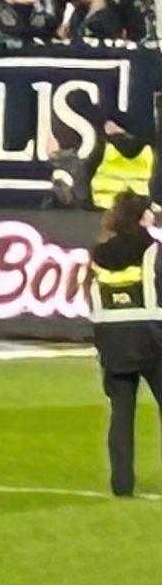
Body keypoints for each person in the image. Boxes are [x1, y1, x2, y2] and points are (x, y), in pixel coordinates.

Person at [93, 189, 162, 496]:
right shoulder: (154, 250)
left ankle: (122, 483)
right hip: (152, 338)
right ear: (142, 216)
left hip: (112, 339)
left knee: (121, 414)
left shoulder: (99, 254)